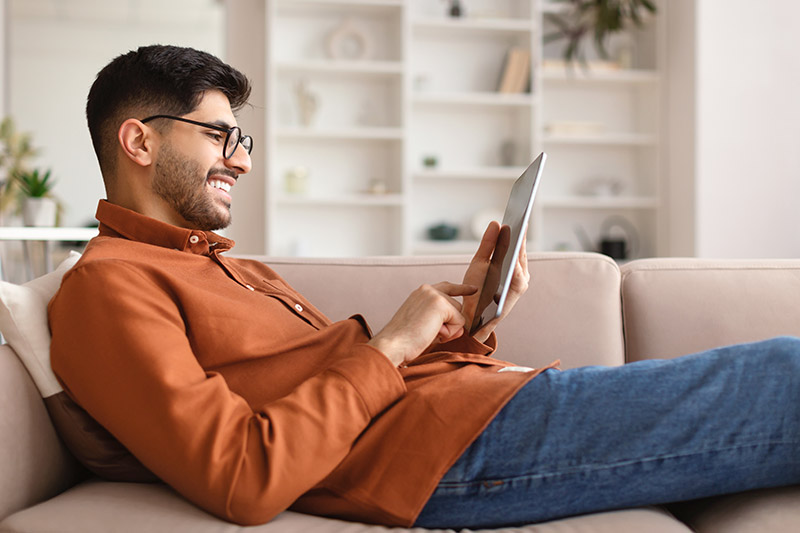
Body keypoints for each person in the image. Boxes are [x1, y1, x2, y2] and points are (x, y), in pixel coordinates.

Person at [49, 45, 800, 529]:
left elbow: (337, 380)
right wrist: (393, 344)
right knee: (783, 374)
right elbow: (242, 475)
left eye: (240, 139)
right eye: (218, 135)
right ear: (139, 140)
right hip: (442, 454)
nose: (241, 161)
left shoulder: (228, 265)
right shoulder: (108, 288)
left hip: (471, 411)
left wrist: (466, 321)